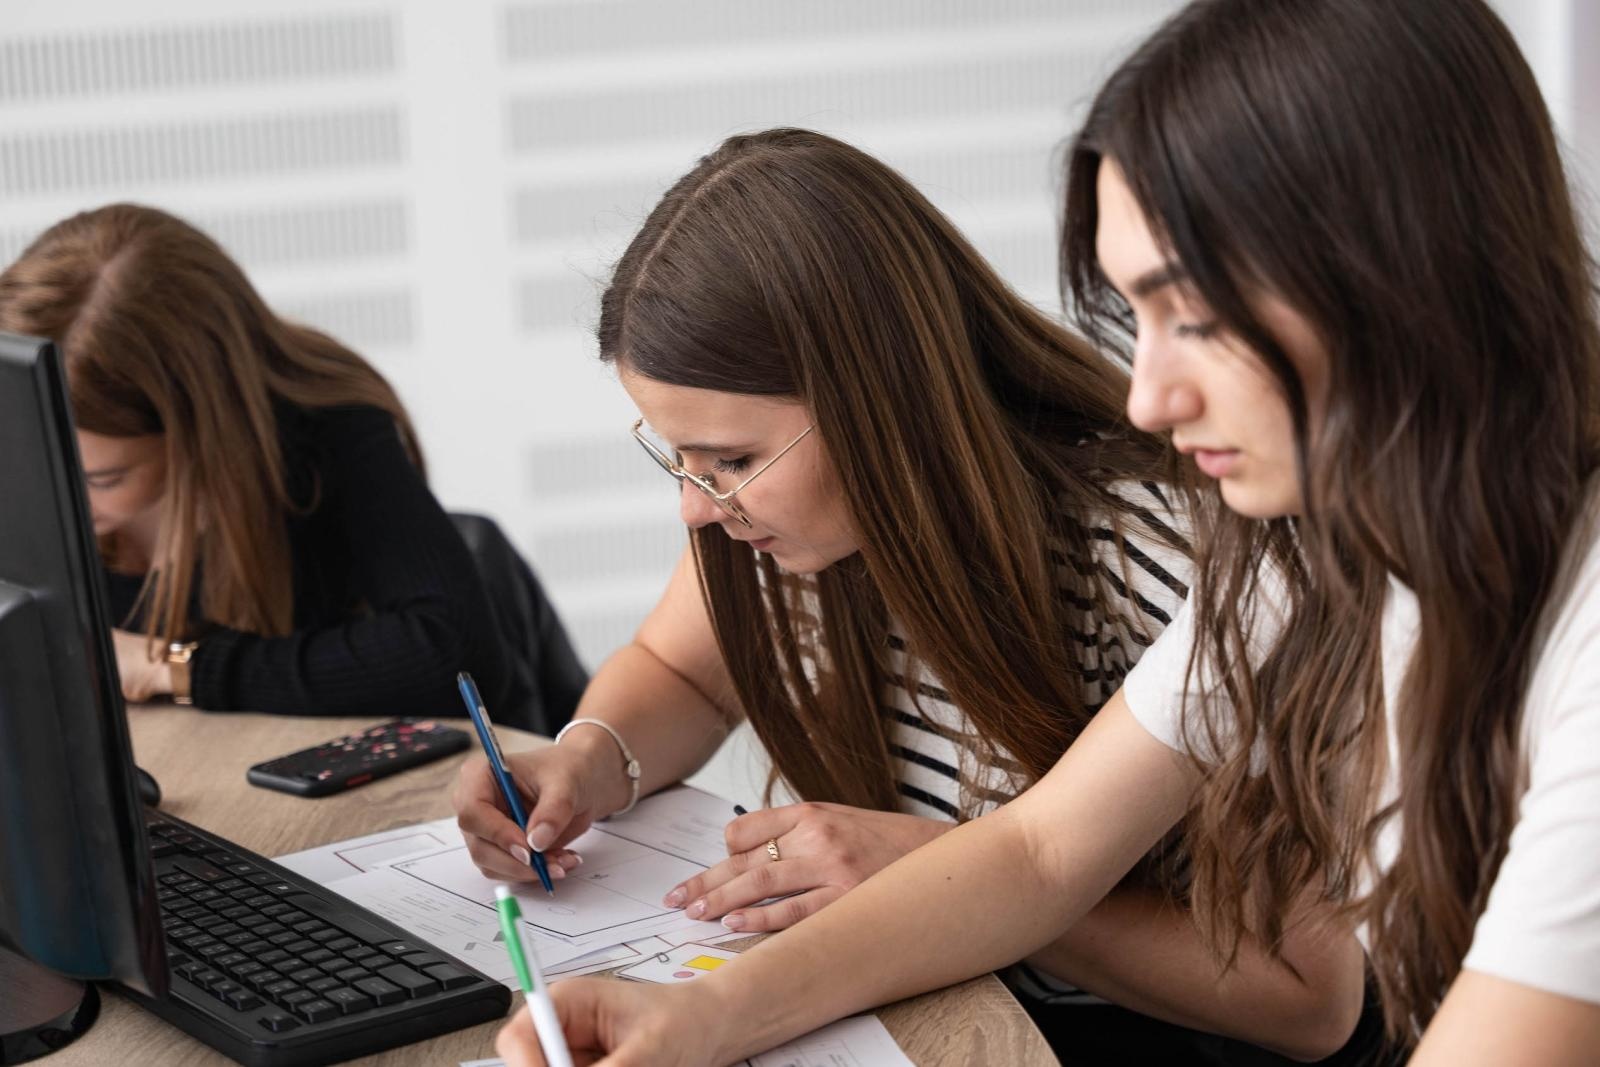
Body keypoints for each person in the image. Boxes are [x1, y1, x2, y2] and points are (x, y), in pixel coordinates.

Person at [490, 1, 1600, 1064]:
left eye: (1193, 317)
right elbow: (1039, 849)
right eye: (1139, 317)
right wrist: (700, 1018)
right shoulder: (1306, 557)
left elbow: (1317, 997)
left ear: (1397, 275)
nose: (1148, 397)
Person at [456, 128, 1372, 1062]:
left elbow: (1303, 997)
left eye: (730, 459)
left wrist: (920, 866)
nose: (696, 506)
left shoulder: (1162, 557)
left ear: (878, 400)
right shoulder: (776, 531)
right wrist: (588, 756)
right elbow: (679, 670)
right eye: (678, 458)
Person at [0, 203, 530, 719]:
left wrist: (175, 669)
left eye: (103, 478)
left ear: (201, 433)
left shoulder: (323, 426)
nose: (53, 499)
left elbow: (453, 653)